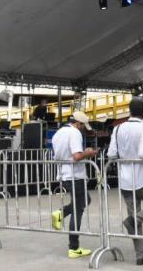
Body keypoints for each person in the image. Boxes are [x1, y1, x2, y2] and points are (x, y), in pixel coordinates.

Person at [107, 97, 143, 266]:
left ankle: (141, 254)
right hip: (141, 178)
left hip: (124, 179)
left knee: (133, 214)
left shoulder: (117, 129)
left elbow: (111, 154)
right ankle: (135, 225)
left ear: (129, 110)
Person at [51, 111, 98, 259]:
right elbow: (77, 155)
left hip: (63, 174)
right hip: (75, 176)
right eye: (83, 126)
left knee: (85, 201)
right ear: (79, 123)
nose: (83, 129)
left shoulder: (58, 133)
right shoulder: (75, 133)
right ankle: (74, 247)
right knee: (79, 209)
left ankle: (61, 213)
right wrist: (89, 152)